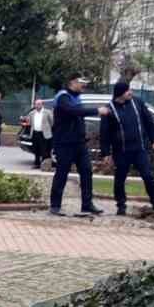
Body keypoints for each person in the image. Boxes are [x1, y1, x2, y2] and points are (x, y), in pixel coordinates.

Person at [99, 80, 154, 216]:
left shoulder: (137, 102)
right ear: (120, 93)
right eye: (128, 90)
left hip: (139, 149)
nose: (130, 92)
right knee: (120, 179)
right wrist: (105, 153)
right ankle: (121, 206)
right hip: (121, 151)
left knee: (148, 176)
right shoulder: (109, 109)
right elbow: (105, 132)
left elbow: (148, 120)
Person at [49, 74, 105, 217]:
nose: (83, 86)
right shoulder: (63, 98)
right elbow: (74, 112)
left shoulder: (76, 98)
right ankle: (55, 206)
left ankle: (87, 205)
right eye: (81, 83)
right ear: (72, 82)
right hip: (65, 143)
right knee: (62, 173)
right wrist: (96, 110)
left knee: (87, 172)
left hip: (79, 143)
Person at [28, 99, 53, 169]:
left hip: (44, 133)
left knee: (45, 149)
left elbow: (52, 122)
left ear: (42, 105)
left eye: (39, 104)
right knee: (36, 149)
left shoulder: (47, 112)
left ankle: (45, 165)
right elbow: (30, 122)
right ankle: (36, 163)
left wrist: (47, 128)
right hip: (35, 133)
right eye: (36, 104)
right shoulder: (32, 113)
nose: (37, 105)